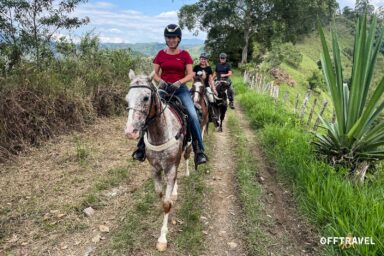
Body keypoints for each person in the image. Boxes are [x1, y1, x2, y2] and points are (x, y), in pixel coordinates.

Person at [132, 24, 208, 166]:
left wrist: (180, 82)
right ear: (166, 39)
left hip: (180, 89)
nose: (171, 40)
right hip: (164, 88)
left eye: (174, 37)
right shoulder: (160, 54)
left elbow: (191, 73)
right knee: (148, 111)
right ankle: (141, 147)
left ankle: (199, 150)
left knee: (192, 114)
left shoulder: (185, 55)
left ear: (179, 38)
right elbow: (154, 73)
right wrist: (161, 82)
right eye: (169, 37)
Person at [192, 53, 219, 125]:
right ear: (200, 59)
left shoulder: (208, 68)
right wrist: (194, 85)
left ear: (206, 60)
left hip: (206, 87)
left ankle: (213, 115)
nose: (203, 60)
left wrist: (214, 89)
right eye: (201, 59)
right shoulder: (196, 67)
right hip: (197, 86)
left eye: (204, 59)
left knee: (211, 98)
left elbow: (210, 79)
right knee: (189, 95)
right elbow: (192, 77)